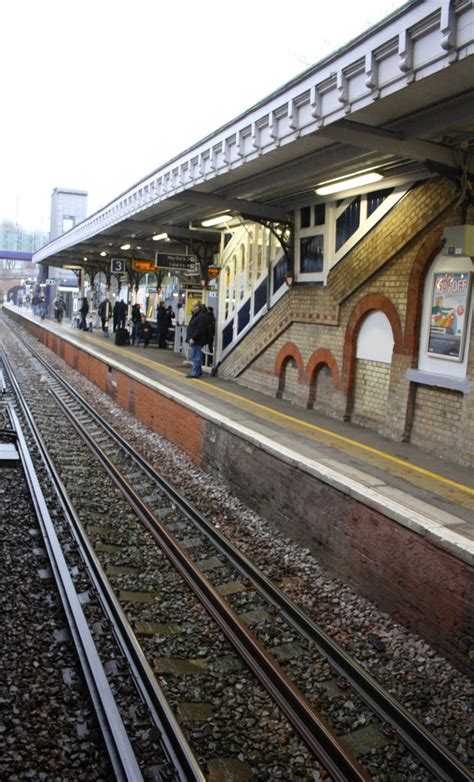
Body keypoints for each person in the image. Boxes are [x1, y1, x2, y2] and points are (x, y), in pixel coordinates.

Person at [185, 301, 209, 377]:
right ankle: (198, 371)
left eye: (193, 306)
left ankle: (195, 373)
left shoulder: (200, 316)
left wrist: (193, 338)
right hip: (195, 339)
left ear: (198, 307)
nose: (192, 308)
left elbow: (200, 329)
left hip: (197, 340)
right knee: (196, 355)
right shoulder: (196, 315)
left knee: (196, 356)